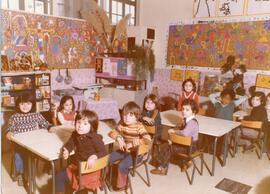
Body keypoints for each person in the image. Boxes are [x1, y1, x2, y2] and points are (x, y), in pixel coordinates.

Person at [55, 110, 107, 194]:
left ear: (92, 127)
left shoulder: (95, 138)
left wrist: (94, 156)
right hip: (77, 167)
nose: (80, 126)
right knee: (60, 175)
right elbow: (70, 144)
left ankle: (78, 188)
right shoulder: (75, 134)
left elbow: (103, 152)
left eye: (85, 124)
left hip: (89, 171)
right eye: (78, 122)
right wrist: (67, 150)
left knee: (59, 176)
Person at [6, 93, 51, 186]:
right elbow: (10, 128)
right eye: (22, 104)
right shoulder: (14, 117)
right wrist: (9, 132)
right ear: (18, 105)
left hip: (35, 144)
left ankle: (48, 166)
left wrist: (51, 127)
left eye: (28, 104)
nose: (25, 106)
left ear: (32, 104)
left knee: (48, 149)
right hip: (20, 145)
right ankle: (20, 174)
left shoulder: (36, 114)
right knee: (18, 156)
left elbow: (45, 123)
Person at [108, 101, 151, 190]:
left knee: (122, 165)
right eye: (124, 115)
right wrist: (119, 138)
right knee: (107, 158)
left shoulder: (139, 126)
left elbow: (148, 139)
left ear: (136, 117)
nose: (127, 118)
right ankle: (107, 177)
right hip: (125, 150)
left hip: (137, 154)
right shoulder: (122, 125)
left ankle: (123, 185)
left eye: (130, 115)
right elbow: (112, 132)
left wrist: (136, 142)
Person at [151, 99, 199, 175]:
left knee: (166, 147)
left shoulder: (192, 122)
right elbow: (180, 129)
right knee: (169, 143)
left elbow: (185, 133)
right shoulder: (186, 120)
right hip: (184, 144)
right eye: (183, 109)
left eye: (187, 110)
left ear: (194, 111)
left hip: (190, 147)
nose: (184, 111)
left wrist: (174, 132)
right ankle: (186, 162)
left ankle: (162, 169)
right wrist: (172, 138)